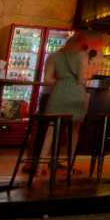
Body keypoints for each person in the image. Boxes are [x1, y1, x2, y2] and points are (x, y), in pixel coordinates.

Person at [39, 32, 89, 174]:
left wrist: (61, 81)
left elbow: (47, 79)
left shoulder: (56, 56)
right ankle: (70, 165)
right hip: (75, 94)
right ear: (79, 45)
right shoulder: (82, 56)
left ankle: (39, 166)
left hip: (58, 94)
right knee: (73, 131)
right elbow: (80, 78)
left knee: (50, 130)